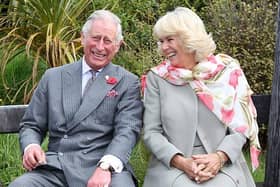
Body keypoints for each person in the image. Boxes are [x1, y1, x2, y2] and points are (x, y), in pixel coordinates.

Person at [9, 9, 143, 187]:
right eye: (95, 38)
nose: (100, 47)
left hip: (105, 166)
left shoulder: (128, 82)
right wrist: (31, 146)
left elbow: (128, 130)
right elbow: (31, 124)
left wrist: (106, 166)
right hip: (57, 168)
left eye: (108, 41)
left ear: (118, 45)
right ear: (83, 38)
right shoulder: (53, 77)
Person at [142, 7, 260, 187]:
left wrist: (220, 157)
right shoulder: (157, 78)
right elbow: (151, 132)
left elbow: (241, 126)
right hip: (172, 166)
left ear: (188, 39)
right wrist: (181, 161)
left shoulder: (227, 71)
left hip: (222, 163)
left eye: (170, 40)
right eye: (161, 41)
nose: (164, 47)